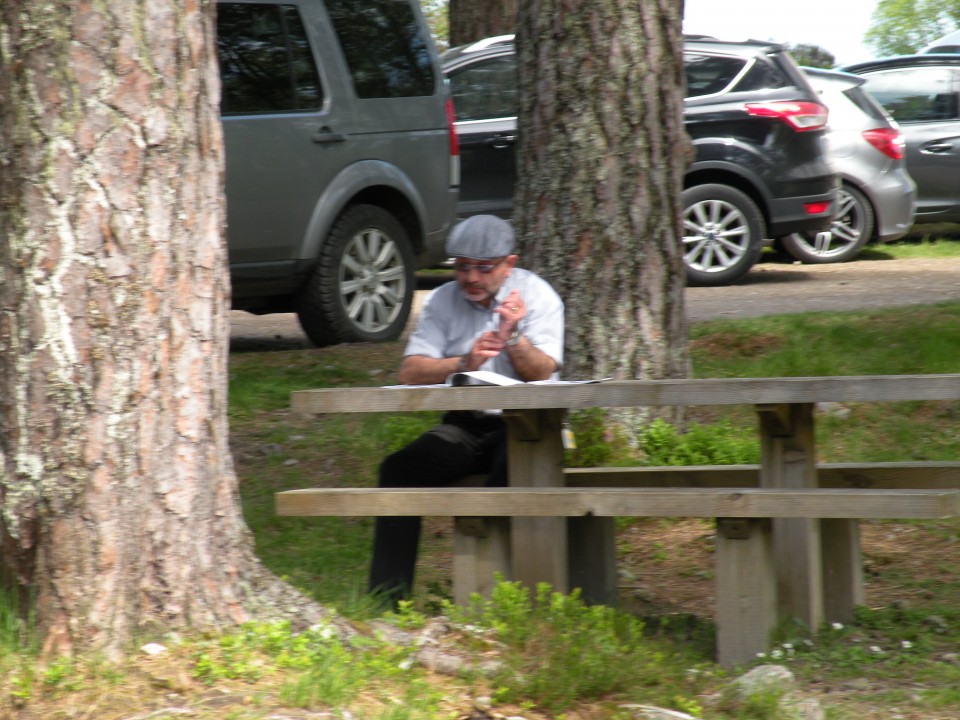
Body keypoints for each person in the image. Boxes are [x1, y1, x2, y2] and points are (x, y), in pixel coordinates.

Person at [368, 214, 565, 604]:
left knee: (512, 471)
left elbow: (542, 371)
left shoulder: (538, 296)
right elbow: (410, 371)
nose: (471, 278)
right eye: (462, 267)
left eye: (483, 267)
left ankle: (508, 599)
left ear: (509, 263)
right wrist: (462, 363)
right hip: (465, 423)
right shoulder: (443, 300)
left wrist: (514, 337)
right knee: (398, 470)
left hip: (525, 425)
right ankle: (386, 602)